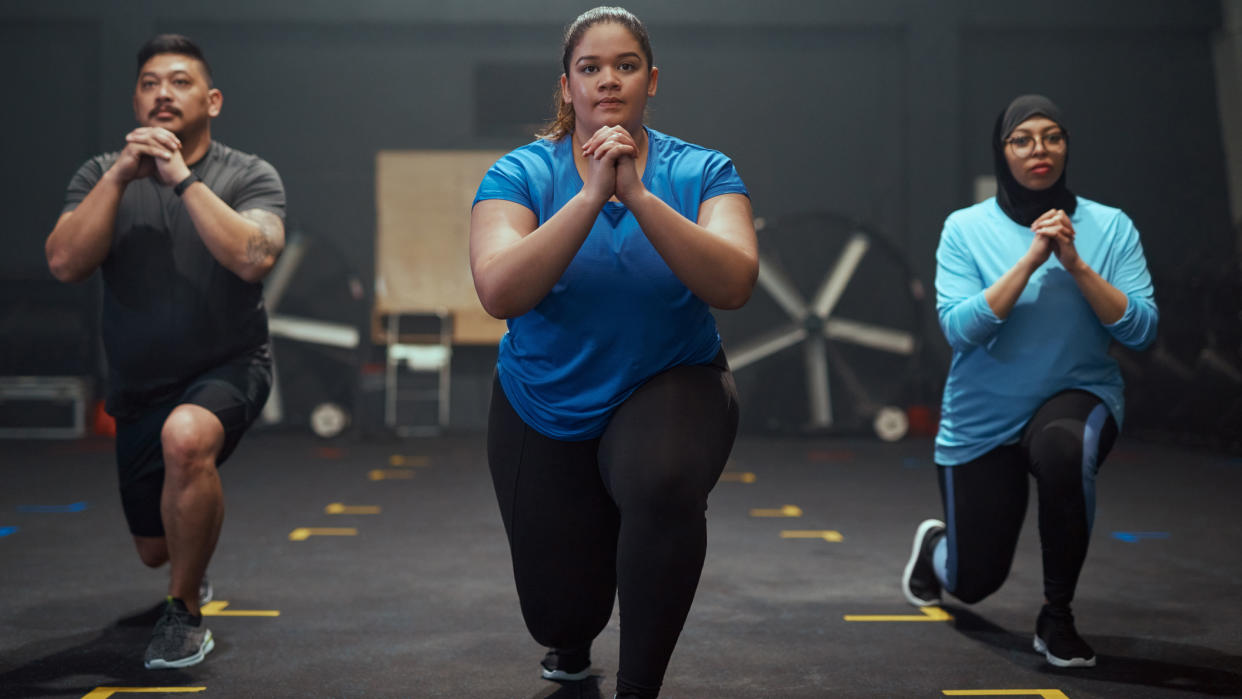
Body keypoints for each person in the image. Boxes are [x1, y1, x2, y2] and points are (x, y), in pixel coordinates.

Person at [469, 7, 756, 698]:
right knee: (560, 613)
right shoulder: (521, 173)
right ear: (566, 86)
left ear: (650, 80)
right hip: (545, 398)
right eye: (589, 68)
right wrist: (594, 193)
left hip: (669, 379)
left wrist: (636, 192)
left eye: (625, 66)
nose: (607, 80)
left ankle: (637, 686)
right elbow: (499, 290)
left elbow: (735, 280)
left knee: (660, 479)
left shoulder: (703, 170)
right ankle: (573, 637)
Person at [45, 34, 285, 669]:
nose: (163, 94)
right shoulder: (101, 176)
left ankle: (184, 613)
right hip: (138, 385)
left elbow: (254, 256)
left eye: (179, 82)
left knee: (187, 438)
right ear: (136, 100)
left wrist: (180, 178)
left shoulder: (248, 174)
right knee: (155, 549)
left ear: (212, 100)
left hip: (230, 367)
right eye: (150, 83)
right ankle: (186, 570)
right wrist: (125, 174)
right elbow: (66, 263)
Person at [901, 94, 1158, 668]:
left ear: (1066, 146)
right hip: (983, 415)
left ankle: (1057, 617)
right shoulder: (965, 229)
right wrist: (1031, 260)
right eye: (1023, 138)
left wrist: (1076, 263)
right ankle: (934, 551)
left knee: (1065, 450)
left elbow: (1142, 330)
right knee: (973, 581)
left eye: (1052, 136)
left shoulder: (1109, 227)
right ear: (1004, 151)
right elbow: (959, 330)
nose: (1039, 149)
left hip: (1078, 394)